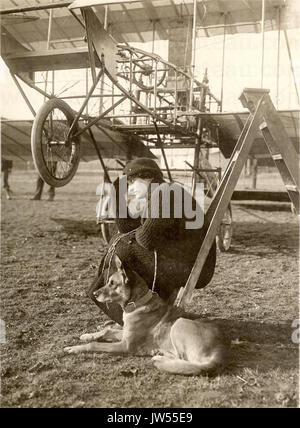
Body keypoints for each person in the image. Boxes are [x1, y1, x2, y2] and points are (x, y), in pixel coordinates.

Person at [89, 158, 216, 325]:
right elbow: (128, 228)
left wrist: (131, 236)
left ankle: (140, 318)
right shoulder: (159, 193)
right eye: (128, 184)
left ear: (148, 177)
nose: (130, 188)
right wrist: (117, 196)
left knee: (123, 249)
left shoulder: (167, 193)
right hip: (183, 259)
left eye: (133, 181)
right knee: (119, 242)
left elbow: (146, 239)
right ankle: (135, 316)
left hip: (192, 265)